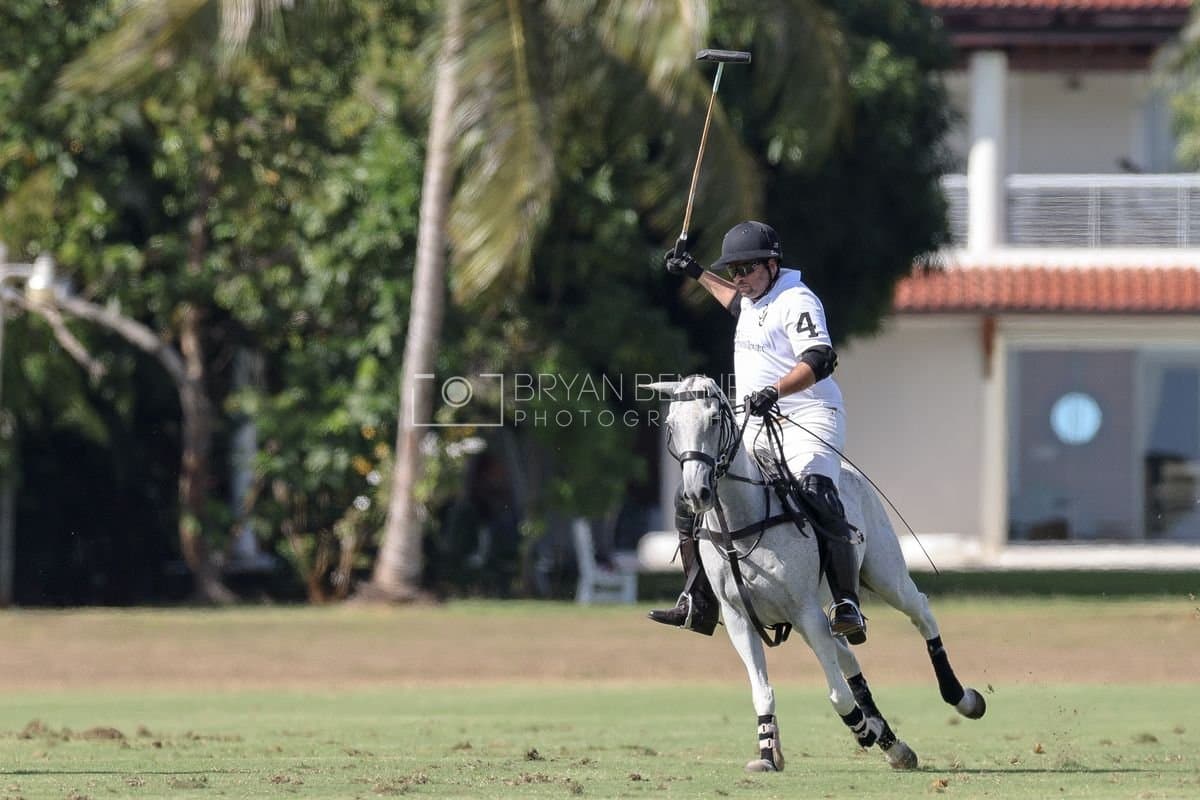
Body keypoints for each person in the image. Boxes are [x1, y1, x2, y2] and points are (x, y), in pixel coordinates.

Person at [648, 220, 867, 644]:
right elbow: (734, 302)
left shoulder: (797, 299)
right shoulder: (751, 295)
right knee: (691, 491)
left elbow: (821, 358)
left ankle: (845, 602)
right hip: (757, 418)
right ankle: (697, 597)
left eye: (747, 269)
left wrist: (775, 389)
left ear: (772, 263)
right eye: (734, 270)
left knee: (817, 488)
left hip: (809, 414)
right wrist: (695, 271)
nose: (740, 278)